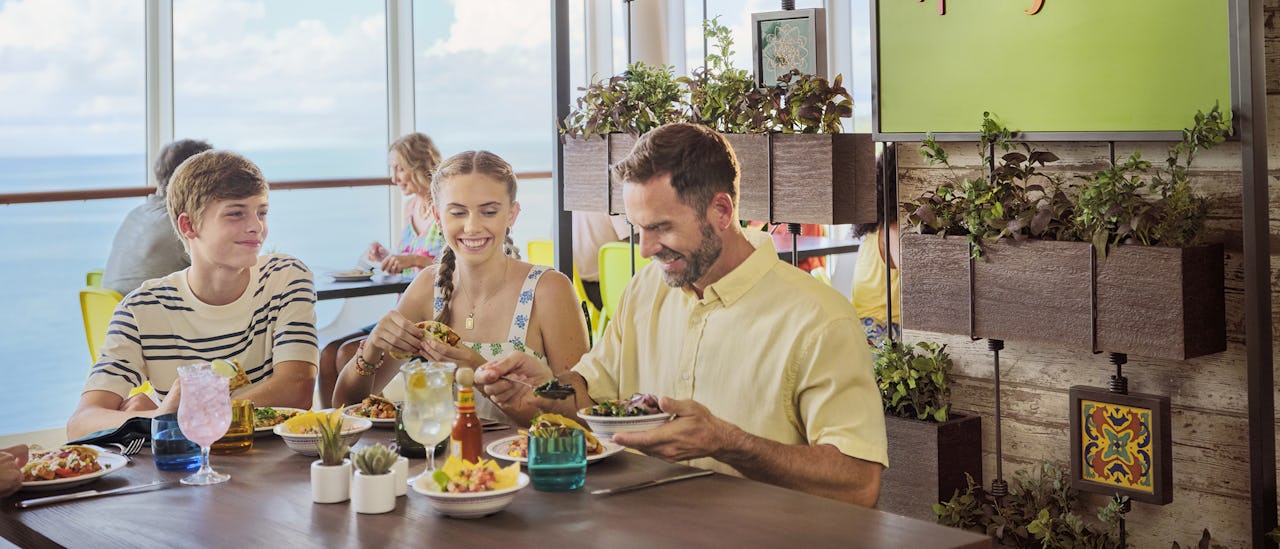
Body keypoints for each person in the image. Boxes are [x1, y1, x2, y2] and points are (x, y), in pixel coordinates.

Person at [474, 123, 888, 507]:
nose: (645, 249)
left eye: (662, 228)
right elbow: (591, 396)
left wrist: (729, 443)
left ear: (722, 212)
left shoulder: (819, 319)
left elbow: (859, 482)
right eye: (638, 228)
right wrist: (544, 388)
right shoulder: (645, 290)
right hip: (637, 525)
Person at [67, 150, 319, 440]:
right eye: (236, 213)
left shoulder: (285, 277)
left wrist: (182, 415)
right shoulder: (140, 309)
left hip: (273, 466)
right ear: (189, 226)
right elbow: (81, 423)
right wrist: (156, 417)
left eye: (261, 212)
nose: (256, 226)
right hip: (186, 470)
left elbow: (296, 390)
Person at [331, 150, 589, 425]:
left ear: (511, 214)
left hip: (529, 464)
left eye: (489, 212)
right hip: (442, 465)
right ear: (438, 217)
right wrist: (371, 348)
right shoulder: (426, 289)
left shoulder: (548, 290)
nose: (472, 226)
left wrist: (479, 371)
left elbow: (583, 416)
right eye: (457, 212)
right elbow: (346, 408)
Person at [316, 133, 446, 407]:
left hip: (429, 318)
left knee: (349, 353)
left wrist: (415, 262)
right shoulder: (411, 208)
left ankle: (372, 427)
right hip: (403, 311)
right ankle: (331, 437)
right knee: (328, 353)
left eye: (399, 168)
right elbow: (410, 258)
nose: (394, 177)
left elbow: (456, 266)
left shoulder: (446, 208)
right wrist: (389, 256)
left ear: (418, 164)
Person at [102, 139, 213, 296]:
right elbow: (224, 274)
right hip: (152, 316)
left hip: (113, 317)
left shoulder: (135, 215)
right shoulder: (183, 225)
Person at [850, 148, 901, 348]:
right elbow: (917, 285)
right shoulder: (893, 231)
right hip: (884, 329)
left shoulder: (874, 230)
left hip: (861, 327)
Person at [572, 211, 630, 310]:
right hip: (606, 293)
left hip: (574, 290)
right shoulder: (611, 199)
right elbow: (638, 241)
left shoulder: (566, 199)